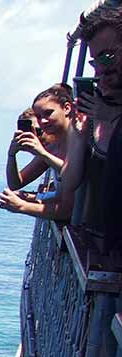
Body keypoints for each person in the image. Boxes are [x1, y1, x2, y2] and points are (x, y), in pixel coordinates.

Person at [58, 5, 122, 244]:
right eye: (95, 62)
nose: (101, 70)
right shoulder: (95, 111)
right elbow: (69, 183)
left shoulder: (107, 112)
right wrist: (78, 135)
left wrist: (113, 116)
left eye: (108, 57)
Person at [0, 84, 75, 220]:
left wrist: (22, 206)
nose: (43, 121)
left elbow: (68, 210)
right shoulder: (54, 148)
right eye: (39, 117)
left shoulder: (79, 141)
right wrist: (11, 155)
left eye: (48, 113)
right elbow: (15, 184)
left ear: (67, 108)